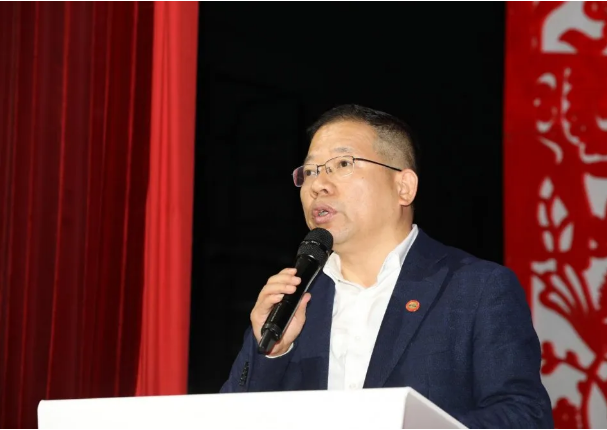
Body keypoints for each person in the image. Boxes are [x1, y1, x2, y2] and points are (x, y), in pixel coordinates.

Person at [220, 104, 553, 429]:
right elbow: (227, 420)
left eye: (342, 163)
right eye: (310, 171)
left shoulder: (476, 288)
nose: (318, 185)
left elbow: (525, 418)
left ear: (403, 187)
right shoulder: (293, 300)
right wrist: (273, 352)